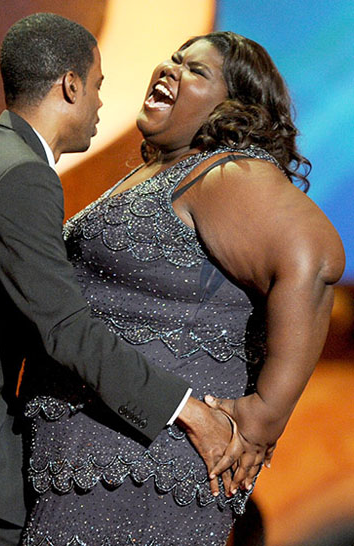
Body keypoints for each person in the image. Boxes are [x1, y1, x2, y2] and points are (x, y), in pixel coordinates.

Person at [0, 15, 245, 546]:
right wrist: (189, 410)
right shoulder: (23, 173)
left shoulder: (0, 152)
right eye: (99, 87)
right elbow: (65, 329)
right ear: (70, 86)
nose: (102, 105)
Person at [18, 31, 345, 545]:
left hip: (145, 472)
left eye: (196, 70)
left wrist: (265, 414)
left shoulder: (226, 174)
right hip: (90, 463)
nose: (170, 69)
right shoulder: (166, 170)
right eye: (173, 59)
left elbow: (317, 257)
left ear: (233, 108)